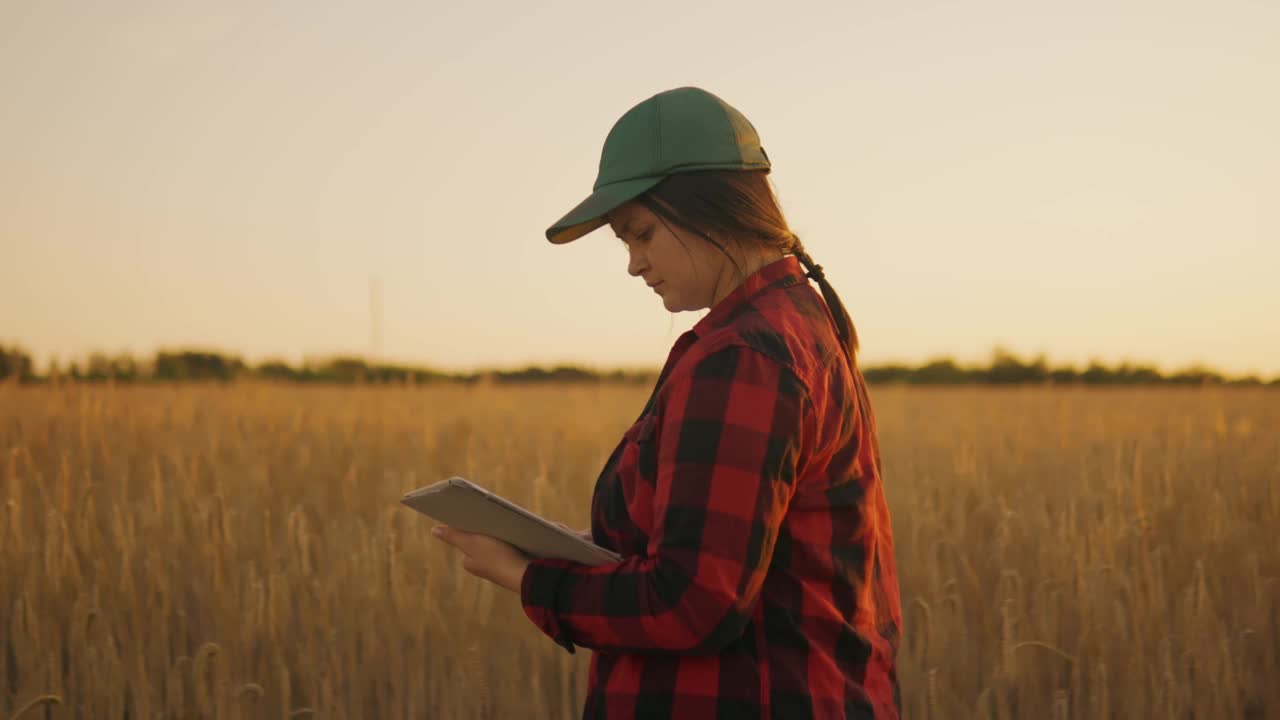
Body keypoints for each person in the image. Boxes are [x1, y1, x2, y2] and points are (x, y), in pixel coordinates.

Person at [431, 86, 902, 719]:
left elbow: (693, 602)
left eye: (642, 233)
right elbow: (718, 555)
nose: (633, 264)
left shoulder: (746, 355)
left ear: (708, 208)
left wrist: (524, 577)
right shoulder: (793, 324)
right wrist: (571, 549)